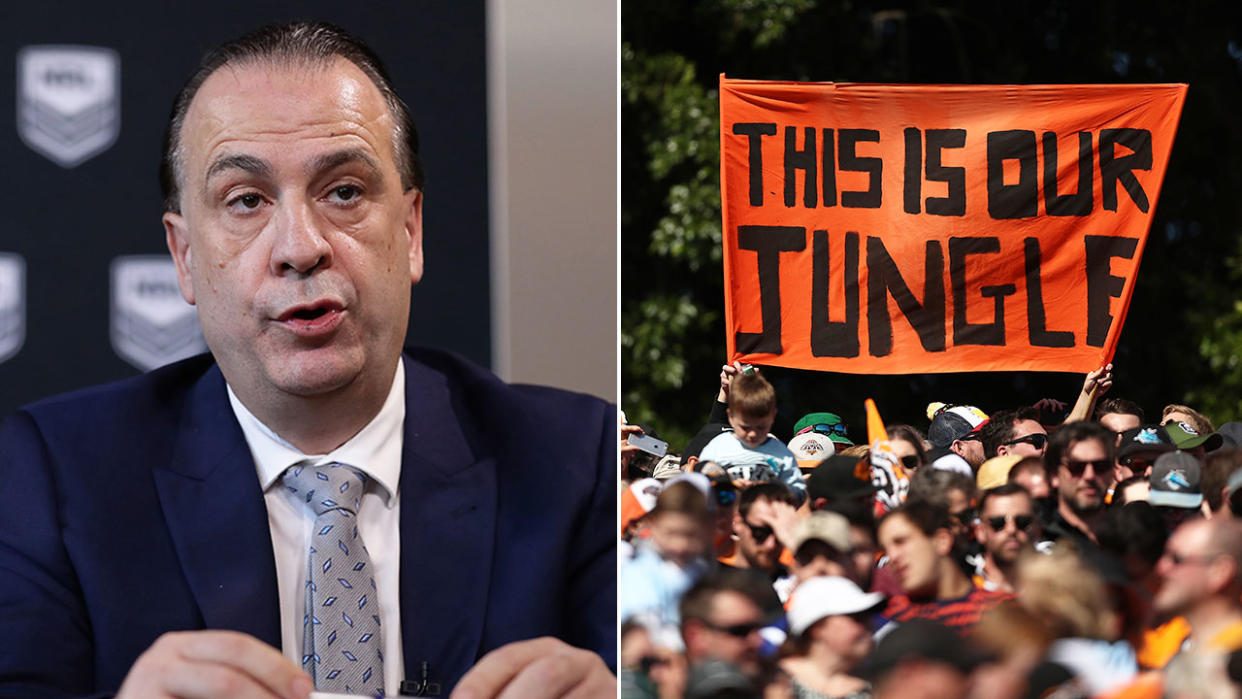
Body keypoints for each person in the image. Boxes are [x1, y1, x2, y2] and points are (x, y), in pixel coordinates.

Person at [0, 22, 615, 698]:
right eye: (246, 201)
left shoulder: (579, 463)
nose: (299, 246)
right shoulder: (52, 477)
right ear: (184, 258)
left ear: (410, 232)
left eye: (344, 191)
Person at [876, 500, 1011, 635]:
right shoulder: (888, 622)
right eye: (886, 550)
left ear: (942, 541)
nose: (892, 557)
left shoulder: (1005, 612)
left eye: (901, 542)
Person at [699, 370, 807, 503]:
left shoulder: (781, 453)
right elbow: (700, 486)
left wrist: (774, 491)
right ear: (731, 417)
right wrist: (731, 485)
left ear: (772, 417)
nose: (753, 434)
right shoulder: (718, 447)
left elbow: (798, 491)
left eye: (761, 427)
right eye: (745, 427)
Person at [780, 576, 885, 699]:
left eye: (867, 617)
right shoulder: (774, 681)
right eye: (857, 617)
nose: (869, 626)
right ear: (817, 628)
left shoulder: (883, 683)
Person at [1043, 421, 1114, 549]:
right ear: (1054, 475)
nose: (1089, 475)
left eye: (1100, 466)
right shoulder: (1036, 539)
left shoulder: (1131, 537)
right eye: (1076, 467)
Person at [973, 484, 1042, 593]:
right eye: (998, 523)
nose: (1011, 529)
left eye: (1022, 522)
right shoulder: (962, 585)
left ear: (1038, 530)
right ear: (980, 531)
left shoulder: (1058, 588)